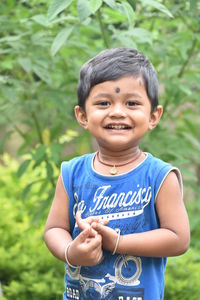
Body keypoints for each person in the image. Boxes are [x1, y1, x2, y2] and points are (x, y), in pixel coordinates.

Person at [44, 48, 190, 300]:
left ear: (154, 116)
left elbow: (178, 239)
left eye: (132, 103)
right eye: (103, 103)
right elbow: (54, 229)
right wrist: (71, 251)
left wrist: (118, 243)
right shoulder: (71, 173)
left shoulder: (159, 177)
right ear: (82, 116)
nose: (118, 112)